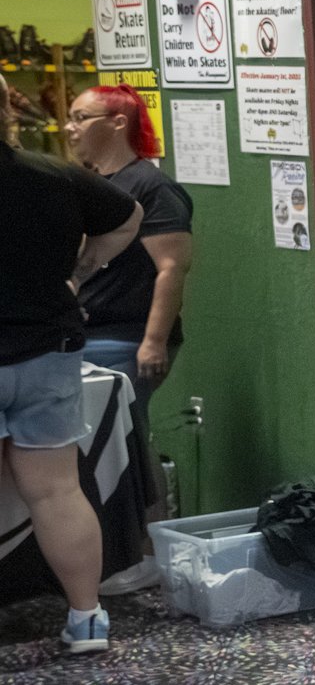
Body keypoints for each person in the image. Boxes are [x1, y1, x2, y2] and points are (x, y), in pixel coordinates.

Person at [0, 136, 143, 653]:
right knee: (56, 491)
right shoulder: (53, 174)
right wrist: (77, 276)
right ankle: (87, 620)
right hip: (49, 350)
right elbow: (128, 215)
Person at [66, 86, 194, 429]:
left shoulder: (151, 187)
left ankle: (147, 486)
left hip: (126, 336)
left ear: (118, 123)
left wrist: (153, 341)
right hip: (85, 333)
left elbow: (172, 266)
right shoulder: (90, 182)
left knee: (127, 435)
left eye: (80, 118)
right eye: (68, 118)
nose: (69, 127)